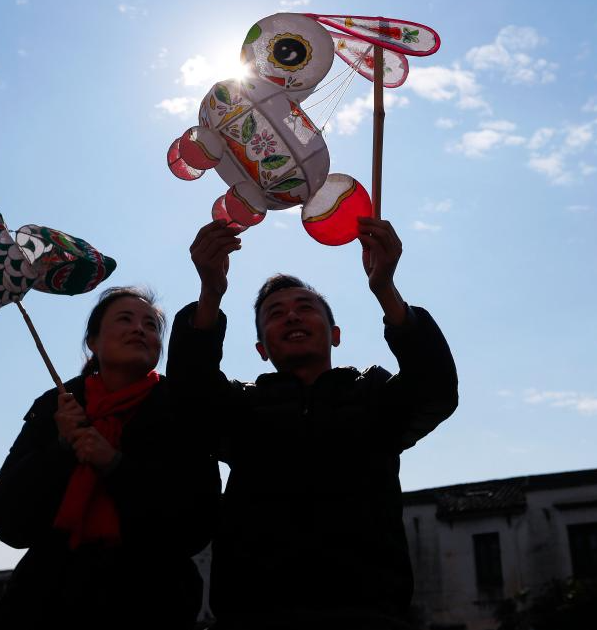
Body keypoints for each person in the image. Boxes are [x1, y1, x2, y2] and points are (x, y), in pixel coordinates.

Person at [167, 218, 459, 630]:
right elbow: (188, 398)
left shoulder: (372, 394)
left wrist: (385, 289)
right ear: (261, 349)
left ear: (335, 334)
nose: (291, 316)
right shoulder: (242, 406)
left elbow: (435, 389)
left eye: (305, 308)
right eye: (275, 313)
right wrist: (210, 293)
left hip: (367, 612)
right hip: (253, 615)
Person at [0, 286, 221, 629]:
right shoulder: (58, 406)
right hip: (42, 600)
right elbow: (7, 519)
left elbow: (196, 523)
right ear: (92, 341)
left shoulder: (179, 408)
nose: (139, 329)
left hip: (151, 603)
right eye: (125, 319)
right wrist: (61, 450)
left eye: (151, 325)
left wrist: (114, 465)